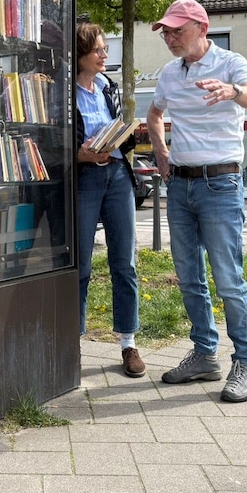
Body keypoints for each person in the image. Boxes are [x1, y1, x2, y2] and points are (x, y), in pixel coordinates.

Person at [145, 0, 247, 402]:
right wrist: (161, 150)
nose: (170, 37)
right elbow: (154, 114)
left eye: (177, 30)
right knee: (190, 278)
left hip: (220, 185)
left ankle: (246, 362)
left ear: (202, 27)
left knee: (229, 279)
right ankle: (204, 354)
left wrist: (232, 91)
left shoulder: (231, 62)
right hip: (179, 185)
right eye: (166, 31)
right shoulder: (168, 73)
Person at [74, 22, 144, 378]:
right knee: (81, 266)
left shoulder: (107, 87)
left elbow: (115, 129)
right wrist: (81, 155)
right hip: (85, 178)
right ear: (80, 54)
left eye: (105, 48)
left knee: (125, 263)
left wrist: (127, 136)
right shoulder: (64, 93)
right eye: (98, 49)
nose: (104, 54)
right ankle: (74, 344)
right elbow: (57, 142)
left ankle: (128, 343)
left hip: (117, 176)